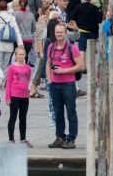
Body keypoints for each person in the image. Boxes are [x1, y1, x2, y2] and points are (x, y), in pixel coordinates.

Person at [46, 20, 83, 149]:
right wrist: (49, 79)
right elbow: (48, 63)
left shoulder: (72, 48)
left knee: (71, 112)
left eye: (61, 32)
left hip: (68, 83)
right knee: (57, 112)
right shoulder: (51, 47)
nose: (59, 34)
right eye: (57, 32)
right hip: (54, 84)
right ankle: (60, 137)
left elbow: (80, 66)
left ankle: (71, 139)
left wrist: (64, 71)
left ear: (65, 33)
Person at [5, 46, 32, 147]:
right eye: (19, 54)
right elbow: (9, 83)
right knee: (13, 117)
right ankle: (11, 138)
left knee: (23, 118)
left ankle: (23, 139)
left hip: (24, 96)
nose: (21, 56)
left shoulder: (28, 68)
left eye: (23, 54)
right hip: (14, 95)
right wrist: (7, 97)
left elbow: (28, 79)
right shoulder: (11, 68)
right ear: (15, 56)